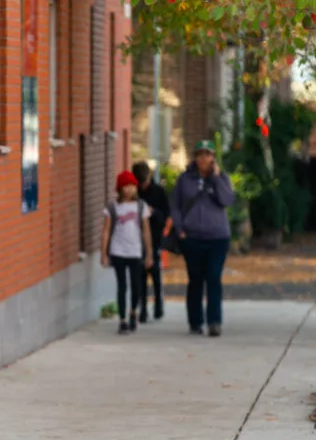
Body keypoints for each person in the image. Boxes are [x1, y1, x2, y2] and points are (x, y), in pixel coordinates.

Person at [170, 140, 236, 337]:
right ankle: (195, 321)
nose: (204, 159)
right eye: (200, 154)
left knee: (214, 277)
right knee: (196, 279)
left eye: (207, 154)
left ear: (213, 158)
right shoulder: (185, 179)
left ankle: (214, 321)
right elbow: (175, 205)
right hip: (192, 237)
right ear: (195, 157)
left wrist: (215, 179)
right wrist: (180, 229)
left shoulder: (221, 178)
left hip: (217, 237)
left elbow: (227, 200)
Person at [101, 171, 155, 335]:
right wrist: (104, 253)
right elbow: (106, 231)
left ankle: (133, 312)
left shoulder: (141, 207)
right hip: (118, 250)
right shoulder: (112, 207)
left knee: (136, 285)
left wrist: (149, 254)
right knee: (122, 286)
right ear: (120, 188)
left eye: (132, 186)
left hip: (135, 251)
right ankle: (122, 320)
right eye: (125, 186)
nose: (129, 189)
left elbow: (146, 231)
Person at [132, 161, 171, 323]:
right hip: (136, 237)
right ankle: (143, 309)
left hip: (155, 236)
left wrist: (154, 212)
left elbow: (166, 215)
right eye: (140, 183)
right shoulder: (133, 194)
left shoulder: (159, 192)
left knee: (155, 272)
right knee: (140, 275)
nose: (143, 186)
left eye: (145, 182)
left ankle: (158, 304)